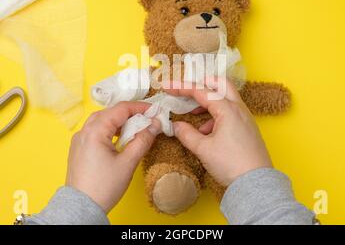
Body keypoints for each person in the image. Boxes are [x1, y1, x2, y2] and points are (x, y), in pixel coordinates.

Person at [20, 79, 316, 225]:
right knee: (171, 173)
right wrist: (253, 179)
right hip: (174, 150)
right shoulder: (153, 79)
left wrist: (76, 205)